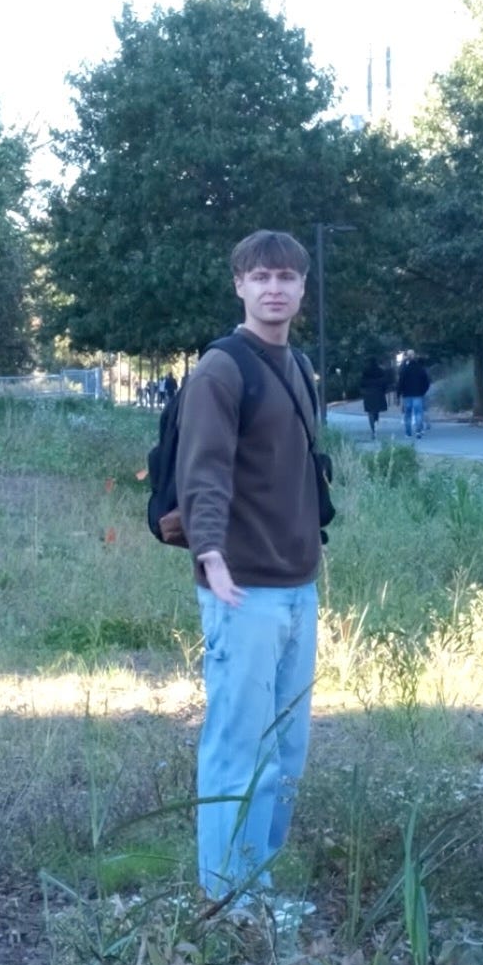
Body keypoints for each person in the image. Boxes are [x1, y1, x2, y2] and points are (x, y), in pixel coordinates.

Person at [173, 230, 326, 920]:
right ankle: (228, 902)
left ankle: (256, 891)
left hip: (298, 584)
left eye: (287, 278)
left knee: (286, 751)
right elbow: (202, 472)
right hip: (243, 589)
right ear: (239, 284)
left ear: (301, 289)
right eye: (262, 277)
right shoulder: (221, 370)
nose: (275, 289)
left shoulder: (298, 366)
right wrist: (209, 553)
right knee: (240, 749)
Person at [395, 355, 431, 439]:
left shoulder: (405, 370)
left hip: (407, 395)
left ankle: (408, 433)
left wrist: (398, 395)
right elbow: (426, 382)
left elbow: (400, 383)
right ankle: (418, 431)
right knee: (418, 413)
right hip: (418, 394)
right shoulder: (420, 370)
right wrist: (423, 391)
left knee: (407, 414)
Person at [357, 359, 392, 440]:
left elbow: (361, 383)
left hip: (368, 393)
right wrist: (383, 390)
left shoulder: (365, 371)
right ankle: (376, 424)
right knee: (376, 410)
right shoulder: (380, 371)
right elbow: (384, 383)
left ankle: (372, 429)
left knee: (370, 412)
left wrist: (363, 391)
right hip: (378, 393)